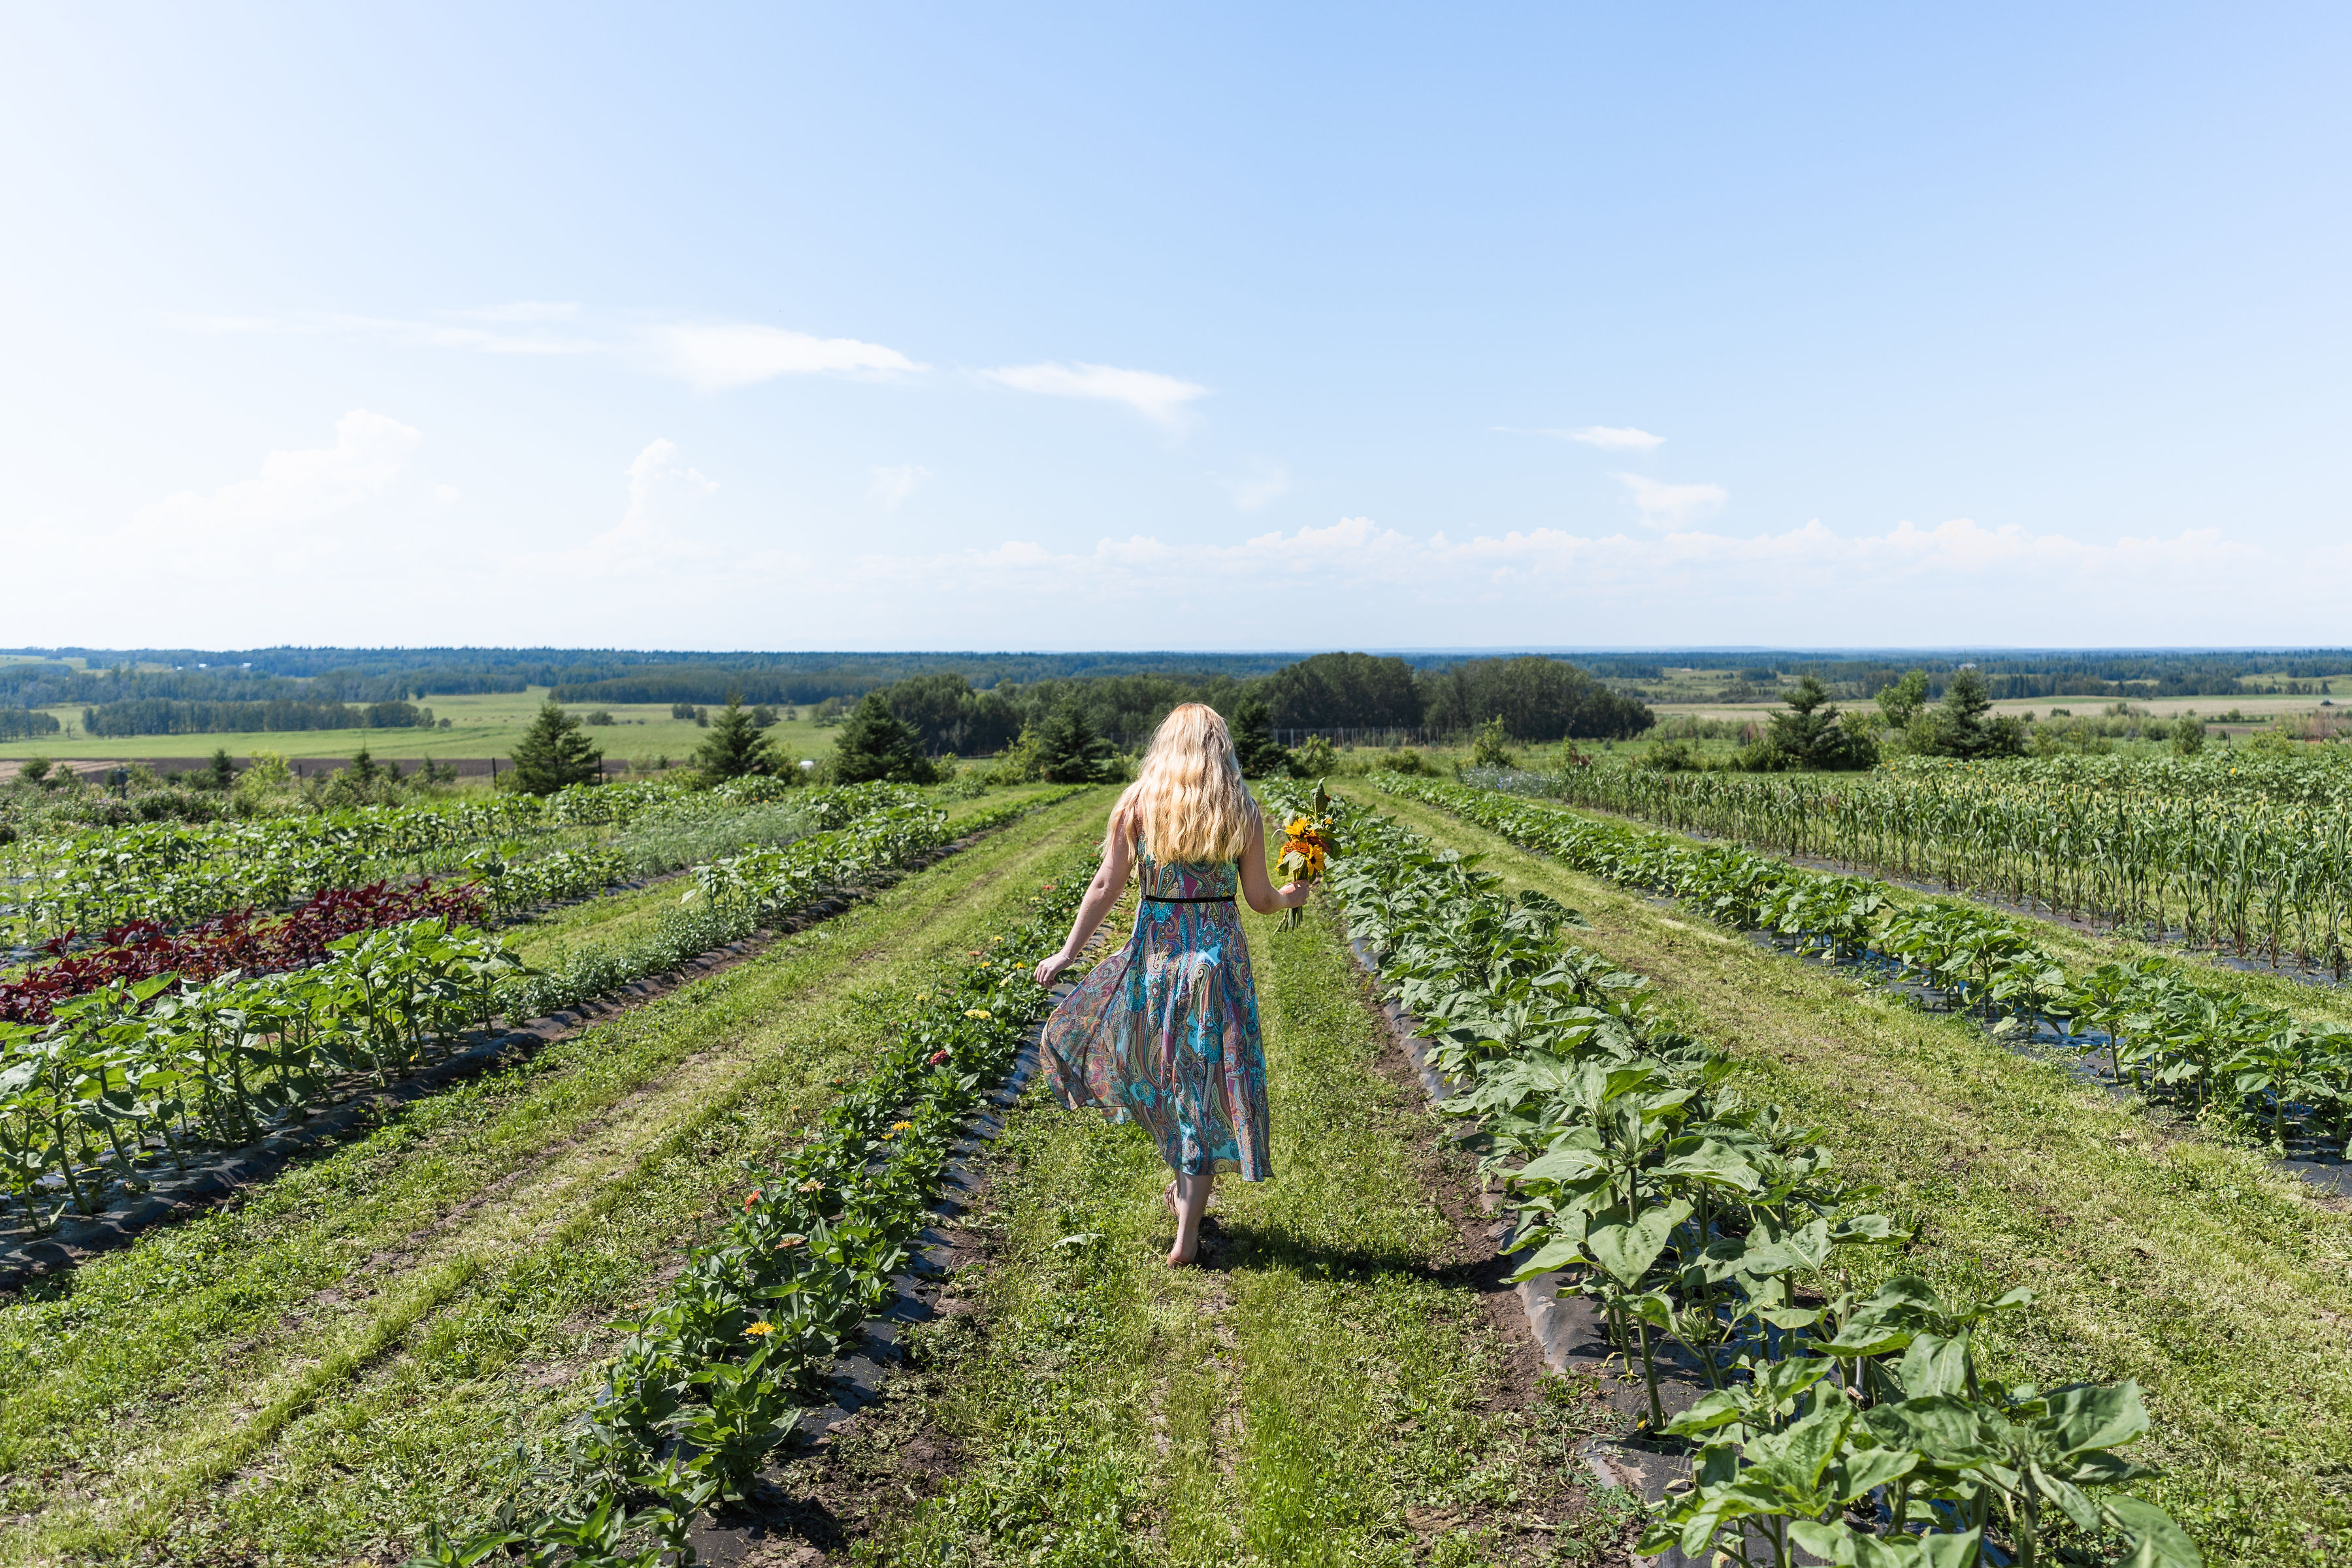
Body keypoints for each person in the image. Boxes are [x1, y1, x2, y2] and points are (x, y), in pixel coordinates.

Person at [1032, 702, 1311, 1266]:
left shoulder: (1137, 805)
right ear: (1219, 750)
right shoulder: (1241, 811)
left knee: (1168, 1084)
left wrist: (1068, 953)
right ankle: (1186, 1230)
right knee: (1203, 1088)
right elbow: (1259, 899)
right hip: (1215, 966)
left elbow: (1106, 884)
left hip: (1158, 962)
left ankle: (1185, 1212)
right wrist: (1292, 896)